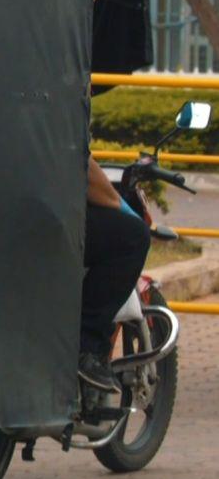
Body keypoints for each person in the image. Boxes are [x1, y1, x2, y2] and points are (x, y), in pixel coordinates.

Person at [78, 155, 151, 392]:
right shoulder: (62, 117)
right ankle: (86, 349)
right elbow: (79, 159)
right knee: (134, 236)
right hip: (40, 221)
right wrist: (120, 205)